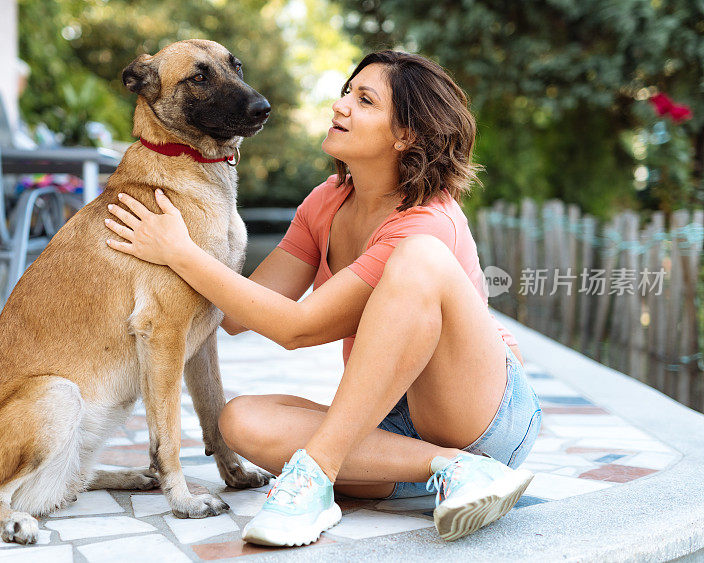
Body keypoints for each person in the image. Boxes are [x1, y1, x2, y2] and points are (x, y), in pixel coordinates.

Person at [103, 50, 542, 546]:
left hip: (481, 412)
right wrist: (175, 241)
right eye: (346, 91)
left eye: (365, 99)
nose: (340, 106)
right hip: (391, 422)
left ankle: (316, 477)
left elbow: (298, 327)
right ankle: (452, 469)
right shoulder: (327, 200)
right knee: (239, 420)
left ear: (406, 134)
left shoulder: (426, 219)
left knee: (422, 257)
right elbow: (239, 313)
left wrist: (181, 253)